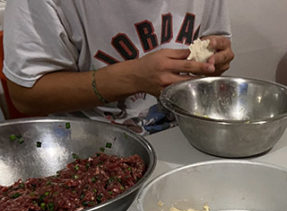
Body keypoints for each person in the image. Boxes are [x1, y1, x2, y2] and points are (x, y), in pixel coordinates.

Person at [3, 0, 234, 134]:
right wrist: (132, 78)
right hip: (93, 148)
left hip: (186, 134)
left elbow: (212, 36)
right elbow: (25, 95)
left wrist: (215, 57)